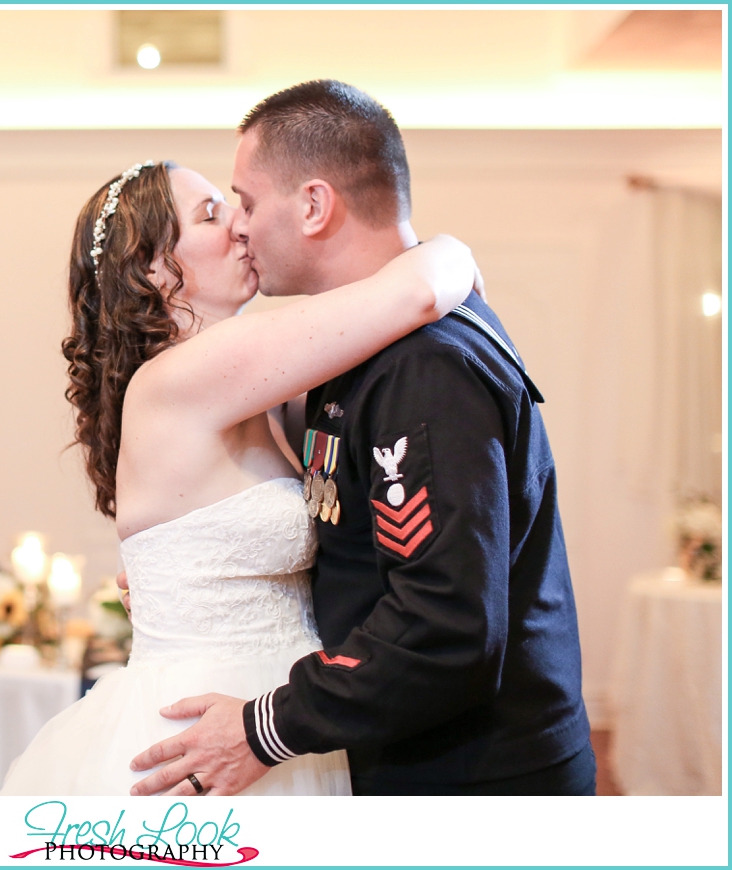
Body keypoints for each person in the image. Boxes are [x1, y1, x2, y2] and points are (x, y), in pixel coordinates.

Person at [127, 80, 594, 798]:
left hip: (475, 781)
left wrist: (265, 729)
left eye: (245, 202)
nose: (241, 228)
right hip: (406, 751)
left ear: (314, 205)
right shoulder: (356, 349)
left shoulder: (425, 365)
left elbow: (444, 627)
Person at [0, 151, 478, 794]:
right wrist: (455, 252)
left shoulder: (262, 392)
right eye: (210, 214)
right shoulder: (184, 377)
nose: (241, 228)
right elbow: (416, 291)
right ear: (154, 270)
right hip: (207, 718)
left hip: (277, 708)